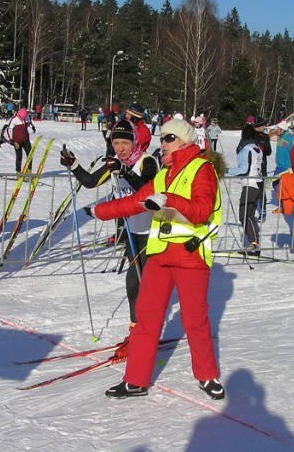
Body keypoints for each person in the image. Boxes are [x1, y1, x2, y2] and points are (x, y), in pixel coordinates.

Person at [91, 119, 224, 400]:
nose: (163, 143)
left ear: (185, 141)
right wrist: (99, 211)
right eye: (161, 138)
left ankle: (207, 375)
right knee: (146, 318)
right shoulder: (164, 173)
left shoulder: (202, 169)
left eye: (169, 138)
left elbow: (202, 210)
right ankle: (135, 380)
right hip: (161, 255)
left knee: (195, 321)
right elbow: (135, 201)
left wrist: (168, 200)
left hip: (190, 255)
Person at [60, 120, 159, 350]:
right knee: (135, 285)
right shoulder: (115, 162)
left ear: (135, 142)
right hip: (132, 232)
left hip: (152, 232)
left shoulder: (147, 162)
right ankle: (137, 331)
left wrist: (124, 171)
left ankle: (143, 334)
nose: (121, 148)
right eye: (116, 143)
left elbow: (147, 189)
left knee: (139, 284)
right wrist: (73, 164)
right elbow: (90, 182)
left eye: (125, 142)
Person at [228, 123, 264, 254]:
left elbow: (244, 170)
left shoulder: (246, 150)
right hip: (258, 182)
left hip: (251, 184)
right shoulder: (257, 149)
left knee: (244, 215)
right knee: (250, 215)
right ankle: (254, 243)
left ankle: (254, 244)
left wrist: (226, 170)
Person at [3, 107, 36, 173]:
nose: (24, 118)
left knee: (30, 155)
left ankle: (29, 170)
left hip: (26, 140)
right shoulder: (14, 119)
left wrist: (32, 127)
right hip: (17, 141)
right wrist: (11, 140)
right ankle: (18, 172)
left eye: (25, 117)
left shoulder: (27, 117)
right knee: (19, 156)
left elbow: (29, 123)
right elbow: (9, 129)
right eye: (23, 117)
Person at [252, 118, 271, 221]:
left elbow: (269, 151)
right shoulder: (250, 135)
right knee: (251, 189)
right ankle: (250, 211)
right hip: (251, 166)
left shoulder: (265, 136)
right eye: (263, 125)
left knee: (261, 189)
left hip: (262, 167)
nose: (265, 127)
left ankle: (263, 210)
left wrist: (263, 149)